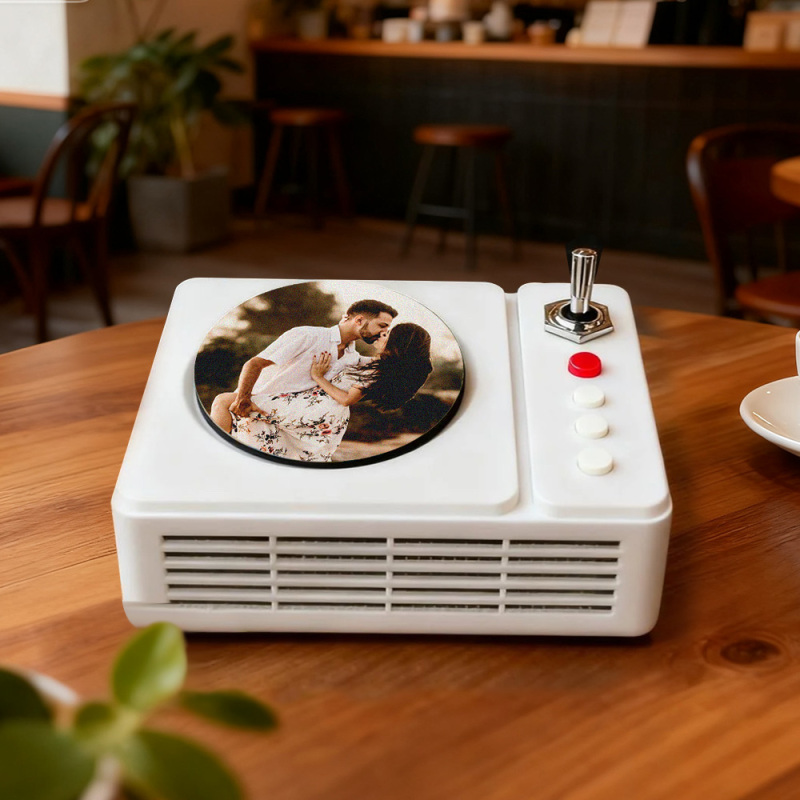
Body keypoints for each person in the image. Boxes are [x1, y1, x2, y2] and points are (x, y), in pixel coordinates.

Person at [218, 321, 433, 463]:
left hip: (319, 409)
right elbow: (348, 360)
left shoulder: (377, 370)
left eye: (387, 334)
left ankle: (218, 453)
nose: (381, 335)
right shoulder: (377, 365)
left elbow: (347, 399)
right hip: (322, 411)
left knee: (224, 401)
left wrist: (317, 376)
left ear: (397, 343)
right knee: (272, 436)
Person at [210, 298, 397, 434]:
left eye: (387, 330)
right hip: (260, 402)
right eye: (382, 326)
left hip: (297, 419)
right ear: (359, 320)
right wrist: (243, 398)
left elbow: (386, 362)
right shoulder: (308, 335)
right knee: (222, 404)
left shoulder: (352, 357)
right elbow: (254, 363)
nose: (383, 332)